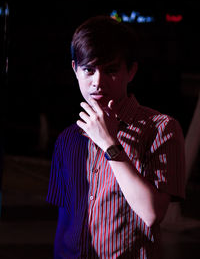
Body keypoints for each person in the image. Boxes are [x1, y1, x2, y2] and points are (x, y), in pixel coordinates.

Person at [46, 15, 185, 259]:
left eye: (110, 70)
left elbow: (152, 213)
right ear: (75, 70)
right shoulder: (68, 138)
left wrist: (109, 143)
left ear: (131, 71)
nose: (97, 83)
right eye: (89, 70)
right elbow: (64, 224)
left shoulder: (161, 129)